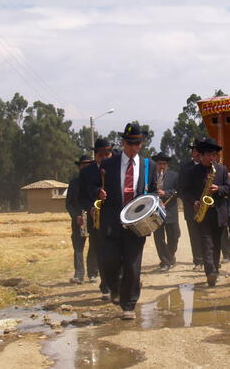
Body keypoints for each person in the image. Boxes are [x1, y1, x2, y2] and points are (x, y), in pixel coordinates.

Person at [91, 123, 158, 320]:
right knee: (109, 261)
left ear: (141, 143)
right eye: (130, 143)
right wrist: (98, 192)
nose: (133, 147)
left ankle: (128, 305)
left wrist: (153, 201)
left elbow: (153, 191)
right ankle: (115, 287)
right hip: (111, 221)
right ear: (122, 142)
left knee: (132, 265)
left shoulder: (149, 166)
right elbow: (94, 185)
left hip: (136, 224)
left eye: (137, 143)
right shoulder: (108, 164)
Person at [185, 138, 230, 286]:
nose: (212, 158)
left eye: (214, 155)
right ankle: (210, 271)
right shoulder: (192, 171)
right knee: (206, 243)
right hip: (202, 213)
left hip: (219, 213)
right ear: (201, 155)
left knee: (217, 244)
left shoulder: (222, 170)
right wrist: (194, 202)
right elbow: (185, 191)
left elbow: (229, 187)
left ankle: (215, 270)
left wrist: (219, 189)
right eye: (209, 155)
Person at [78, 138, 113, 299]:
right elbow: (81, 197)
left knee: (116, 253)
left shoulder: (118, 167)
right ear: (96, 155)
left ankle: (116, 283)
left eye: (108, 153)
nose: (105, 157)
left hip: (116, 218)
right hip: (96, 220)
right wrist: (90, 207)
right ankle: (105, 285)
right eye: (101, 154)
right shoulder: (86, 172)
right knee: (101, 253)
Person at [178, 138, 204, 271]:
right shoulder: (184, 167)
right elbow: (181, 189)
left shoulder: (211, 166)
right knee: (194, 235)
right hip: (191, 207)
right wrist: (193, 201)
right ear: (192, 152)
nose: (198, 153)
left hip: (207, 207)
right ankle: (198, 261)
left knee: (207, 234)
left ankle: (209, 260)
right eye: (195, 150)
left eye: (200, 150)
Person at [66, 155, 93, 284]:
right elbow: (69, 204)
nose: (86, 167)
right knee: (78, 247)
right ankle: (79, 274)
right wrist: (76, 215)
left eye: (89, 165)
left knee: (94, 246)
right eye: (84, 165)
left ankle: (93, 273)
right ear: (79, 167)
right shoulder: (73, 183)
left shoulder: (95, 182)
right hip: (78, 221)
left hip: (93, 220)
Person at [152, 152, 180, 272]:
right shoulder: (151, 176)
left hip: (171, 211)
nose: (161, 166)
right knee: (159, 238)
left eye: (164, 164)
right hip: (156, 212)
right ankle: (165, 261)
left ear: (167, 164)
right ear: (156, 164)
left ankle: (170, 255)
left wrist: (166, 193)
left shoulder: (174, 176)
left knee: (174, 236)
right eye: (159, 164)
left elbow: (178, 191)